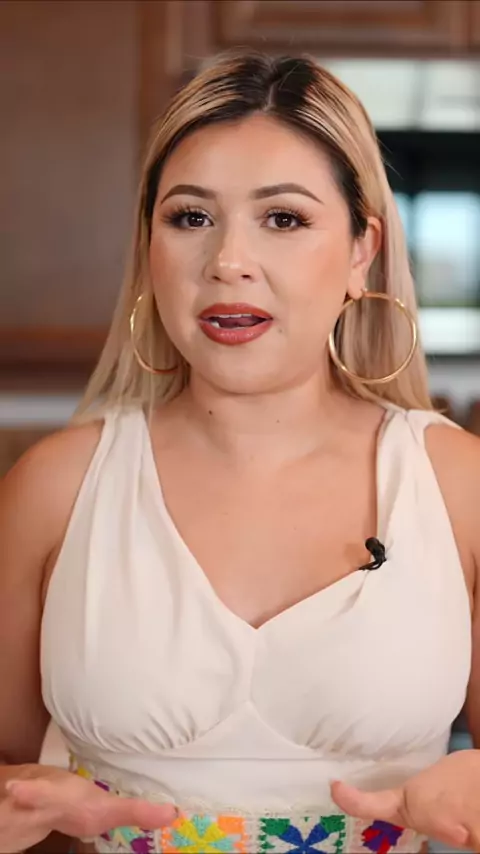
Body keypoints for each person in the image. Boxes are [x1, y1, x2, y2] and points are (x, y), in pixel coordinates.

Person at [1, 48, 480, 854]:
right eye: (190, 218)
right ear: (149, 248)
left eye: (283, 219)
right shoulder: (54, 487)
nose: (228, 262)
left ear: (360, 250)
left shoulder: (459, 486)